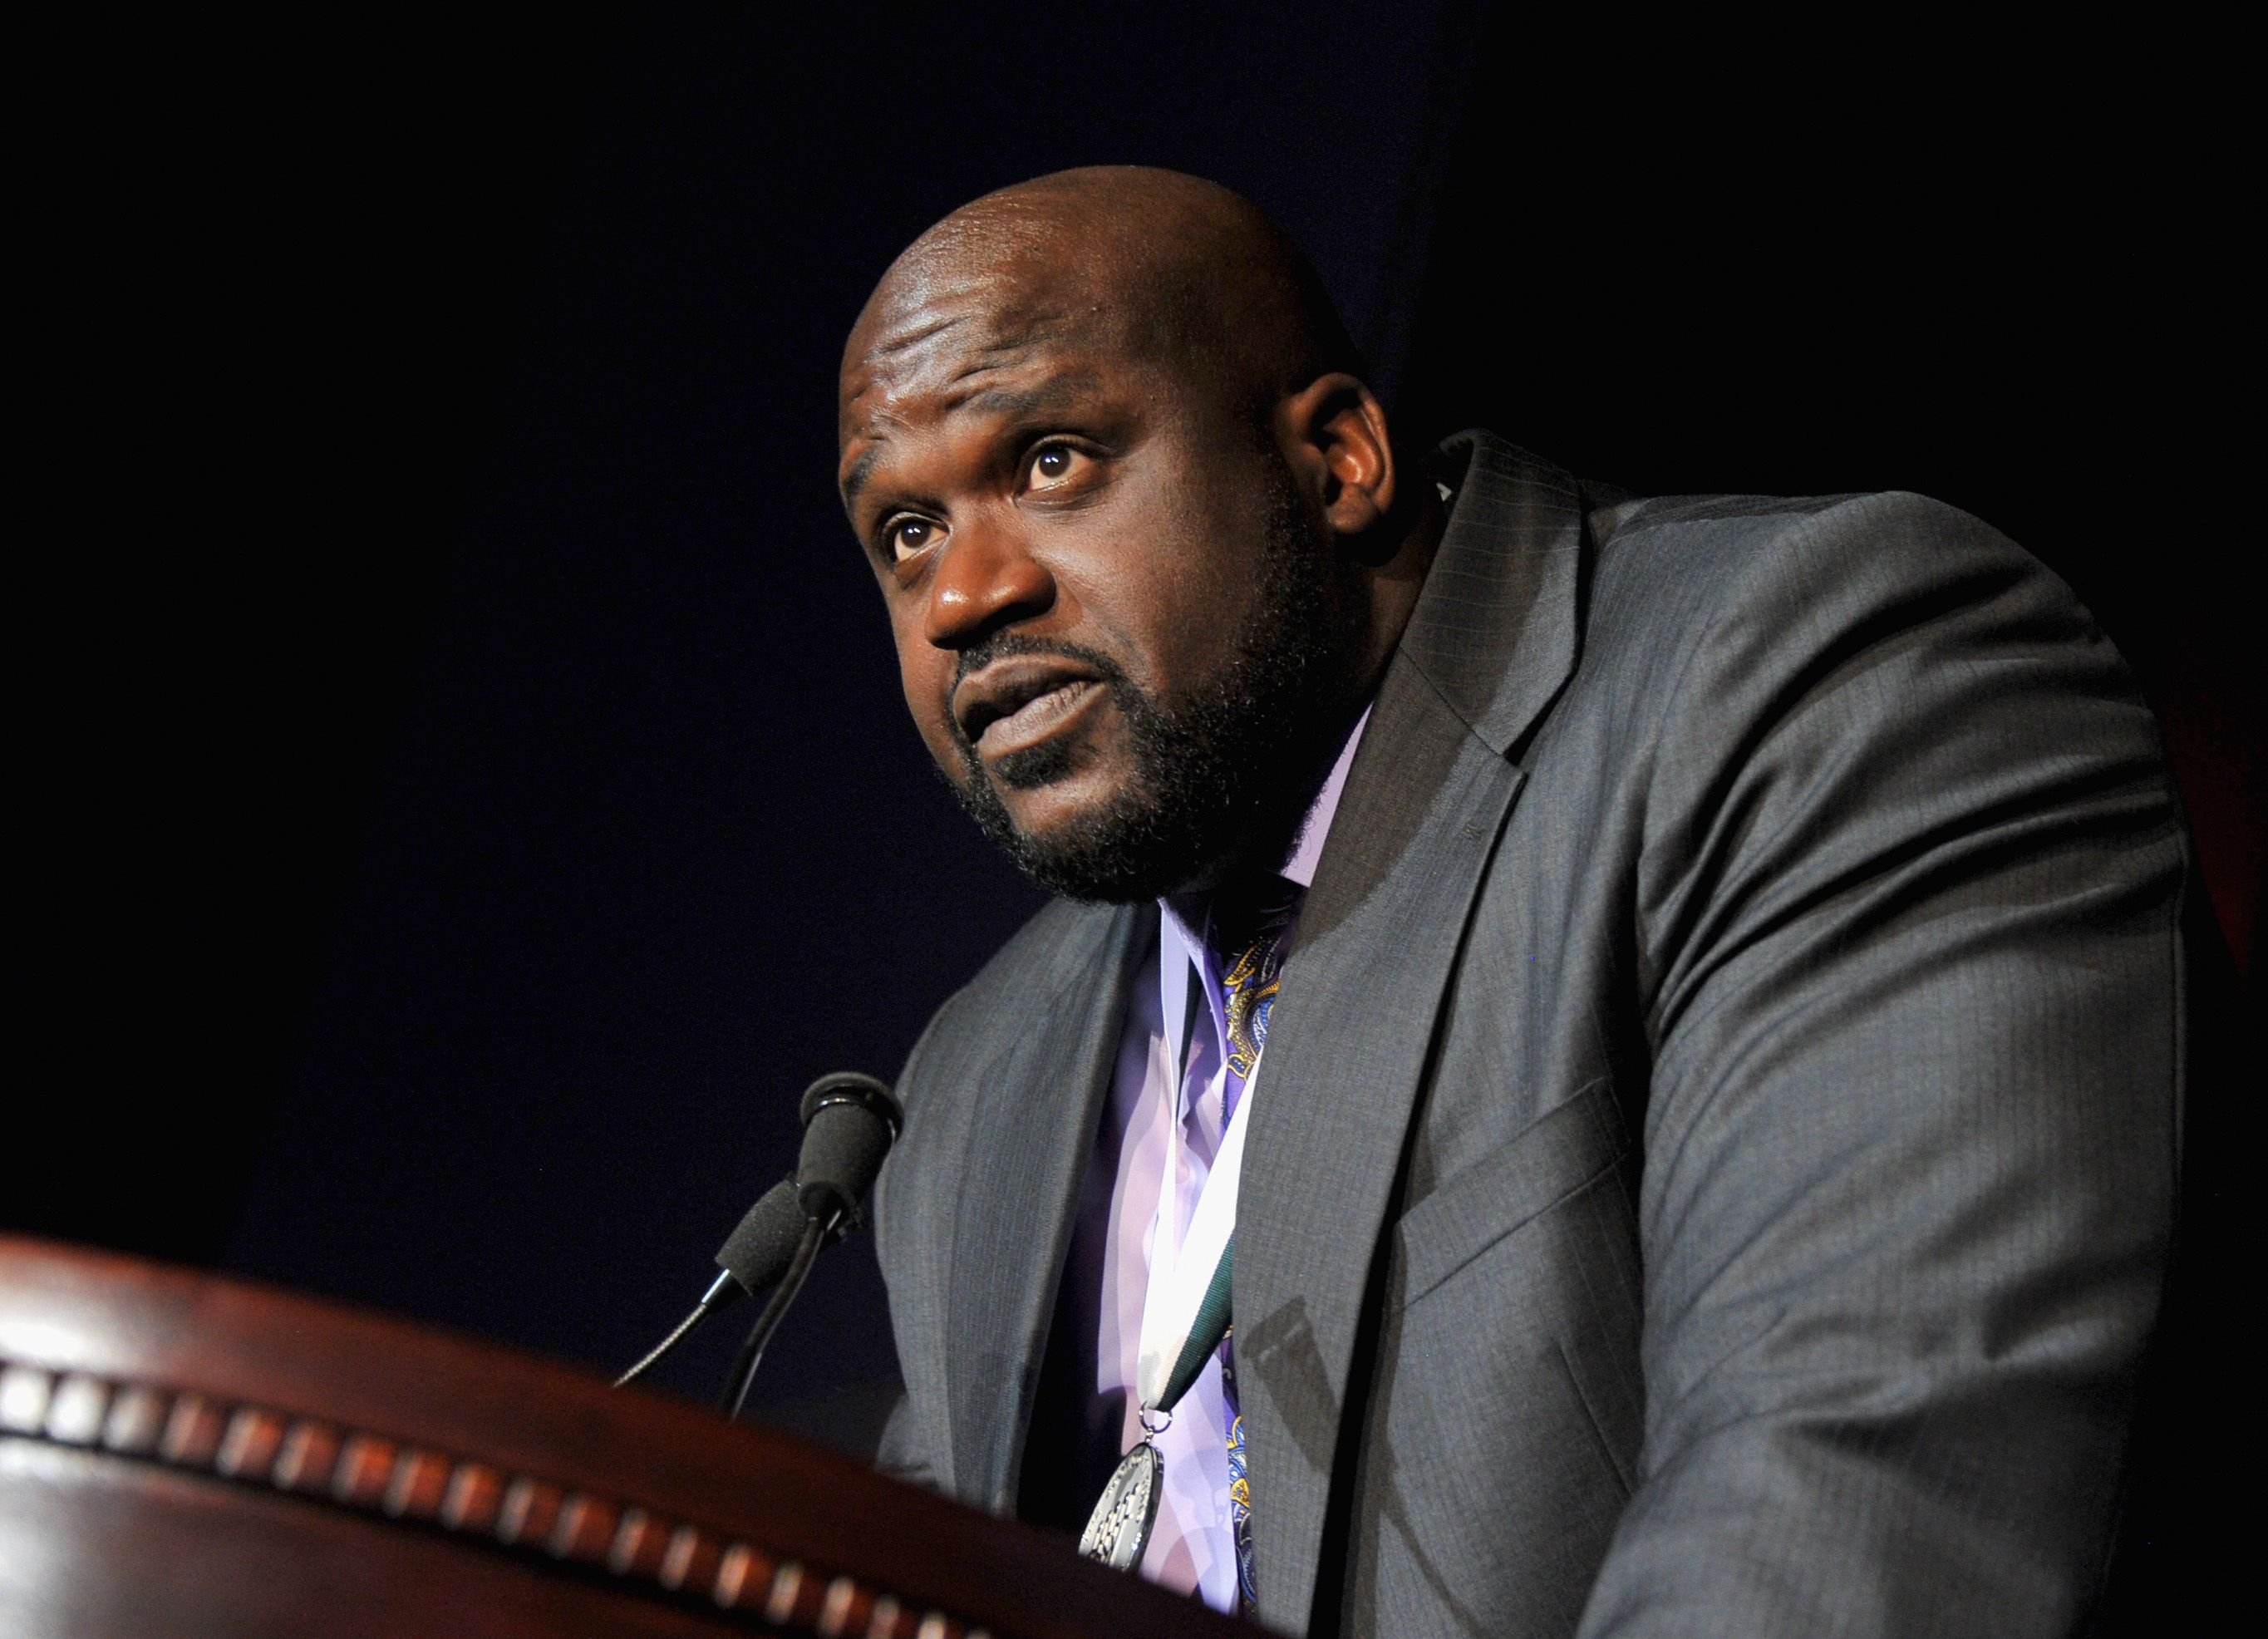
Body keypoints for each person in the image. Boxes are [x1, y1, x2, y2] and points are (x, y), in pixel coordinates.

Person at [839, 166, 2189, 1636]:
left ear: (1338, 458)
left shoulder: (1812, 688)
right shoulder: (974, 1085)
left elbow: (1855, 1511)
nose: (963, 597)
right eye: (904, 533)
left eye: (1048, 461)